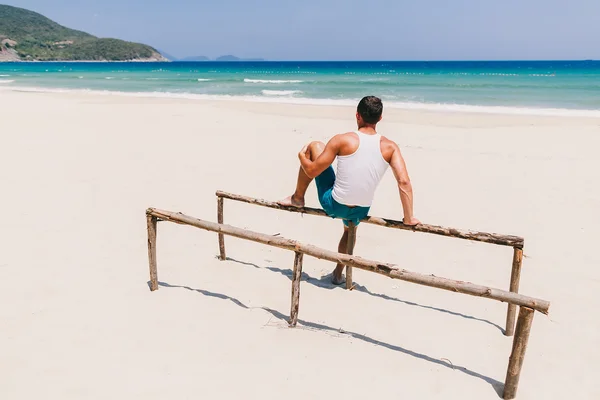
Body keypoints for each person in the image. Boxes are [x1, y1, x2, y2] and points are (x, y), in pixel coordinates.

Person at [279, 96, 420, 285]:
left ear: (357, 115)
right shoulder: (390, 146)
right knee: (349, 229)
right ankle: (338, 274)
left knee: (315, 146)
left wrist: (301, 157)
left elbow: (312, 170)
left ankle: (297, 198)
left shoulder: (342, 140)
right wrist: (408, 218)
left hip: (334, 204)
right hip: (361, 210)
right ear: (380, 118)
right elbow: (404, 182)